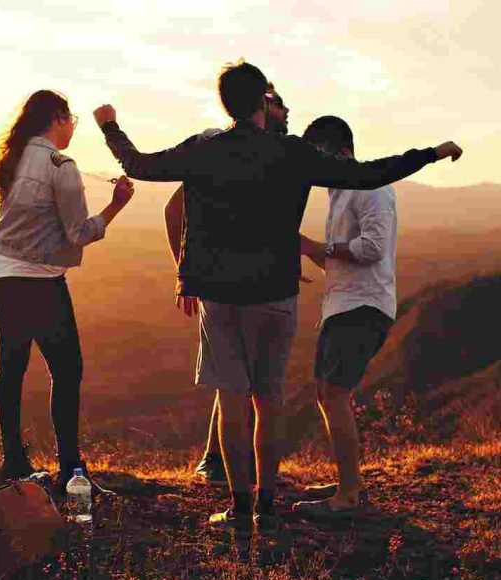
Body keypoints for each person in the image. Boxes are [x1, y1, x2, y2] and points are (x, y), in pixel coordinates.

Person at [93, 60, 462, 536]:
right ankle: (267, 506)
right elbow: (369, 174)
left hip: (220, 295)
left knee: (232, 401)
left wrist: (110, 127)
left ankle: (241, 510)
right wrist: (430, 152)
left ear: (225, 103)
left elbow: (140, 165)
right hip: (275, 293)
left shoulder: (204, 149)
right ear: (262, 104)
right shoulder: (291, 153)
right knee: (269, 402)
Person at [0, 89, 134, 495]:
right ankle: (71, 471)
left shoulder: (14, 159)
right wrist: (117, 204)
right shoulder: (60, 165)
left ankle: (14, 463)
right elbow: (78, 232)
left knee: (11, 366)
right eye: (72, 121)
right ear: (59, 118)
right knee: (67, 370)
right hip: (41, 280)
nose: (72, 129)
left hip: (1, 273)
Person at [163, 83, 297, 486]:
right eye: (278, 104)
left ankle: (239, 485)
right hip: (227, 287)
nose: (288, 111)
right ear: (259, 107)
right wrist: (185, 273)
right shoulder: (218, 149)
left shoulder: (276, 154)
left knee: (241, 385)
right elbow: (174, 210)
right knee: (240, 387)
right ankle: (224, 470)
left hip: (260, 284)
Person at [292, 116, 403, 515]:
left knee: (334, 395)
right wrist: (308, 250)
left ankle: (348, 496)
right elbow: (343, 257)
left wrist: (317, 245)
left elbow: (372, 248)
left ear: (339, 152)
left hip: (364, 306)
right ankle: (348, 481)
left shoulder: (370, 187)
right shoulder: (339, 193)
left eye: (316, 155)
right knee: (327, 393)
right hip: (343, 304)